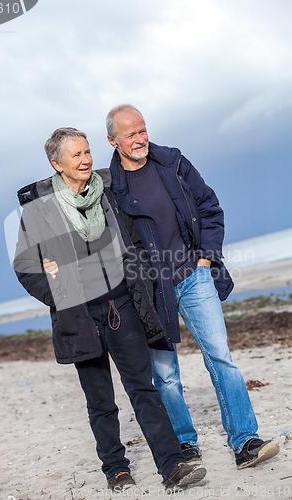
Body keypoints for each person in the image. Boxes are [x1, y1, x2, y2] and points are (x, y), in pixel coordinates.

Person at [13, 127, 207, 492]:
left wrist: (140, 280)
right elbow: (25, 267)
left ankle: (172, 465)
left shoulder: (109, 194)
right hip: (78, 315)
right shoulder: (39, 212)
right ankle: (116, 468)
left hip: (122, 306)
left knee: (143, 389)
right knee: (100, 400)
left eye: (87, 152)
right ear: (57, 164)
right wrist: (59, 290)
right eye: (76, 155)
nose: (86, 160)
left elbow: (133, 243)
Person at [106, 104, 280, 470]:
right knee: (165, 374)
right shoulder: (111, 187)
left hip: (194, 275)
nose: (140, 139)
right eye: (130, 134)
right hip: (152, 291)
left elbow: (210, 207)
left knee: (221, 357)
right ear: (113, 140)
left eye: (142, 130)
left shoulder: (173, 162)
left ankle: (245, 440)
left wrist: (206, 257)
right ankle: (184, 444)